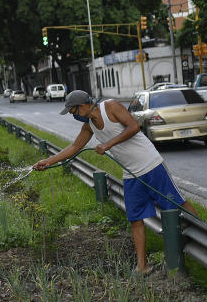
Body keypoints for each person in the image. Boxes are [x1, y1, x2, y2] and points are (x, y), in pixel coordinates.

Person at [33, 90, 197, 274]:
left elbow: (133, 127)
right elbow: (74, 147)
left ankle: (204, 236)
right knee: (135, 219)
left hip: (151, 164)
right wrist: (48, 162)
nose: (74, 116)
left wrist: (108, 144)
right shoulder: (89, 126)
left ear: (84, 105)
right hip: (130, 173)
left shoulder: (110, 107)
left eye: (74, 112)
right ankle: (142, 266)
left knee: (176, 204)